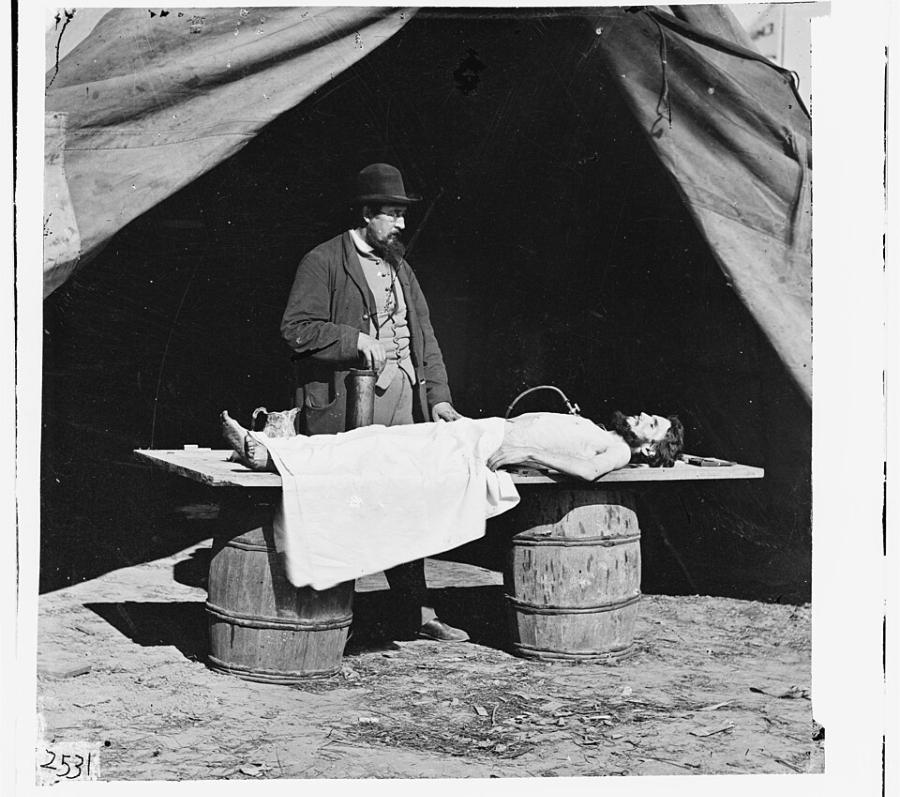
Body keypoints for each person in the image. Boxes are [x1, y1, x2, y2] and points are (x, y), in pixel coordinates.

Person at [279, 163, 466, 643]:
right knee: (348, 506)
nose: (402, 224)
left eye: (403, 214)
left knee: (407, 507)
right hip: (348, 409)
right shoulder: (323, 261)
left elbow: (425, 338)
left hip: (405, 407)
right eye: (393, 214)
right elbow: (296, 330)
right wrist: (353, 338)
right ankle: (329, 617)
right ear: (365, 214)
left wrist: (439, 399)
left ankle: (417, 613)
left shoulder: (402, 267)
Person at [221, 409, 685, 481]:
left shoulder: (621, 452)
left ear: (649, 449)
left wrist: (529, 454)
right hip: (481, 430)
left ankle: (273, 456)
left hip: (488, 446)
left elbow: (586, 472)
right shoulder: (606, 432)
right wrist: (463, 419)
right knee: (379, 438)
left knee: (383, 449)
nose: (647, 417)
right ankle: (282, 447)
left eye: (655, 426)